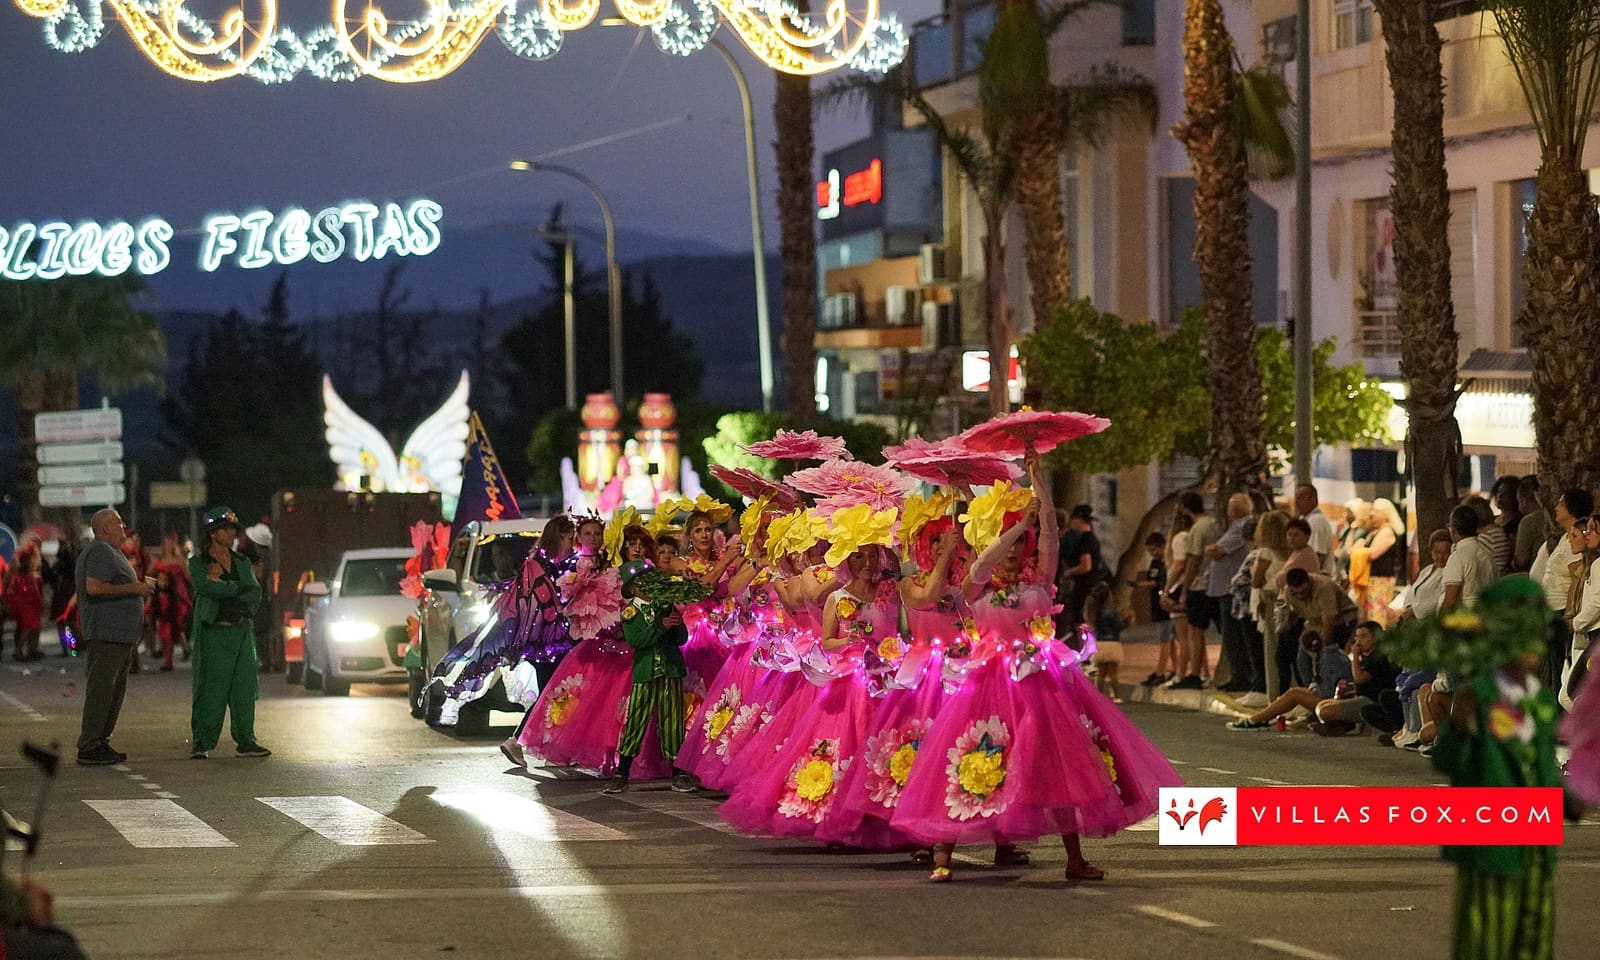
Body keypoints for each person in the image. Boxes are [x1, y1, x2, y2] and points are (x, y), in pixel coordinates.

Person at [1386, 576, 1576, 960]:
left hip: (1536, 844)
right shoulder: (1481, 693)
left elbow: (1541, 764)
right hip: (1491, 843)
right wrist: (1457, 728)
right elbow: (1447, 760)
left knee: (1534, 933)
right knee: (1486, 934)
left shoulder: (1538, 700)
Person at [601, 558, 697, 795]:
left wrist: (676, 624)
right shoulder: (630, 612)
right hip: (645, 674)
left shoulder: (666, 605)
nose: (647, 585)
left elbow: (681, 639)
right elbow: (637, 640)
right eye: (641, 582)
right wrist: (661, 625)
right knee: (636, 719)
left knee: (673, 721)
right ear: (632, 588)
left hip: (670, 671)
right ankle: (622, 772)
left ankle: (678, 772)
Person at [188, 507, 270, 760]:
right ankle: (202, 742)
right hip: (213, 632)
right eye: (226, 528)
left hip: (241, 630)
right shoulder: (198, 562)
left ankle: (246, 740)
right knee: (211, 687)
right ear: (213, 533)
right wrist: (236, 589)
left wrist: (224, 586)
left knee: (244, 688)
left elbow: (254, 593)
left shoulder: (242, 561)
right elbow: (205, 587)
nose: (232, 533)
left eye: (233, 528)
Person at [75, 508, 154, 766]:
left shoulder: (114, 553)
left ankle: (100, 741)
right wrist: (136, 588)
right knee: (102, 690)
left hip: (118, 636)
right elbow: (94, 588)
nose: (124, 527)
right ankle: (90, 744)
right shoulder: (100, 551)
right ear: (105, 528)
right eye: (119, 524)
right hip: (106, 633)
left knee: (113, 692)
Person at [1277, 567, 1359, 692]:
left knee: (1329, 661)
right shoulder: (1289, 592)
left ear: (1309, 582)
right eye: (1296, 593)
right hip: (1313, 624)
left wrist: (1320, 653)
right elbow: (1293, 614)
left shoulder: (1324, 587)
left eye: (1304, 592)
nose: (1300, 596)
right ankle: (1309, 696)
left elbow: (1328, 623)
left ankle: (1328, 696)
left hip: (1340, 623)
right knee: (1302, 659)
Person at [1206, 493, 1255, 693]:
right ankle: (1239, 675)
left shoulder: (1242, 526)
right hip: (1227, 588)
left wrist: (1210, 548)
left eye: (1230, 506)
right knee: (1231, 634)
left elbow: (1217, 551)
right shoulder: (1235, 527)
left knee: (1234, 635)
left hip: (1232, 590)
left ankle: (1241, 676)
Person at [1172, 491, 1218, 690]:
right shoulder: (1213, 524)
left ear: (1185, 509)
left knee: (1196, 631)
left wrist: (1185, 588)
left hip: (1199, 585)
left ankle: (1195, 674)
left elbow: (1193, 561)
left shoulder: (1196, 530)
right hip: (1215, 582)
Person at [1058, 504, 1108, 627]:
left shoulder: (1086, 540)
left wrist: (1068, 573)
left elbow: (1086, 565)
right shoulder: (1090, 538)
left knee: (1082, 620)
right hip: (1090, 586)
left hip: (1086, 587)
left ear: (1078, 520)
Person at [1135, 531, 1175, 686]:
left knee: (1166, 639)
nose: (1153, 554)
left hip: (1166, 604)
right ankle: (1173, 669)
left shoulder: (1168, 562)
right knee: (1167, 638)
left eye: (1154, 550)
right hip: (1157, 604)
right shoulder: (1155, 563)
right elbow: (1152, 580)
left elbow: (1159, 581)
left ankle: (1162, 671)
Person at [1442, 504, 1496, 609]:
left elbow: (1450, 600)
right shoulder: (1488, 555)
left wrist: (1437, 623)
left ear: (1453, 529)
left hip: (1464, 619)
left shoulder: (1457, 557)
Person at [1084, 580, 1126, 703]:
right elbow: (1118, 626)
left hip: (1100, 644)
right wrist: (1127, 621)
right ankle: (1117, 696)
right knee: (1113, 672)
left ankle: (1098, 696)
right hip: (1113, 643)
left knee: (1100, 672)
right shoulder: (1111, 611)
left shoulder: (1094, 612)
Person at [5, 546, 44, 662]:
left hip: (32, 603)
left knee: (34, 627)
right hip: (25, 604)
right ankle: (19, 651)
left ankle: (31, 650)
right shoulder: (19, 575)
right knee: (27, 627)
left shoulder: (32, 574)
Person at [1294, 483, 1335, 574]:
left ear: (1313, 499)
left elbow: (1317, 557)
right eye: (1296, 497)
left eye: (1301, 497)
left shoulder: (1316, 522)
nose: (1296, 501)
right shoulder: (1304, 520)